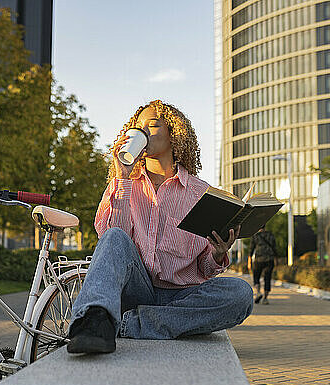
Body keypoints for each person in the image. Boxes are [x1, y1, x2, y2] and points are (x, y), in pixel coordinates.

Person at [66, 100, 253, 354]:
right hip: (134, 289)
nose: (143, 132)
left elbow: (204, 269)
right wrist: (122, 177)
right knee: (114, 237)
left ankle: (128, 325)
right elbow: (111, 241)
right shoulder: (122, 184)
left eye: (152, 125)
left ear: (174, 132)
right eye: (138, 127)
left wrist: (218, 254)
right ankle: (93, 322)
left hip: (181, 296)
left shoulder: (200, 193)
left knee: (240, 294)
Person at [248, 225, 277, 305]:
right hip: (269, 259)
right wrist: (276, 260)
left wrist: (249, 262)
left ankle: (258, 292)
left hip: (258, 260)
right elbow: (274, 248)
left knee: (256, 276)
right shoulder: (270, 235)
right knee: (267, 278)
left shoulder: (255, 236)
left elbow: (251, 249)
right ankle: (265, 298)